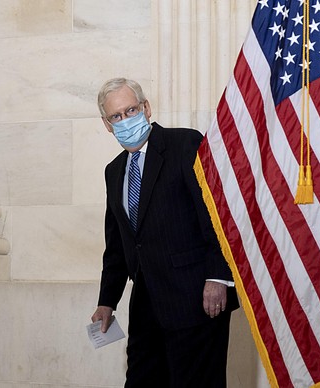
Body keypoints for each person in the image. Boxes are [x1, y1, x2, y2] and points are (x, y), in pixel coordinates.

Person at [91, 77, 238, 387]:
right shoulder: (113, 171)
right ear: (106, 124)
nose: (125, 121)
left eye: (130, 110)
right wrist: (107, 300)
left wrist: (217, 276)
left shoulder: (185, 144)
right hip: (146, 305)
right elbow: (117, 243)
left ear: (146, 108)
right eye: (116, 116)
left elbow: (217, 214)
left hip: (197, 299)